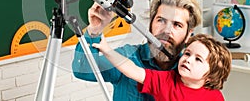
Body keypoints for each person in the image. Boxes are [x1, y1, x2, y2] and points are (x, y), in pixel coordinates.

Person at [72, 0, 202, 100]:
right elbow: (82, 70)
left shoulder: (193, 69)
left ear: (188, 34)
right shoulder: (127, 56)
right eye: (161, 20)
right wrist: (94, 30)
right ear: (150, 24)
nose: (166, 31)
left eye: (177, 25)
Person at [93, 33, 232, 101]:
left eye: (198, 59)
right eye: (187, 53)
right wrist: (108, 51)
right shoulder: (166, 80)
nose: (188, 60)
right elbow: (133, 70)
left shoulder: (215, 97)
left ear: (212, 72)